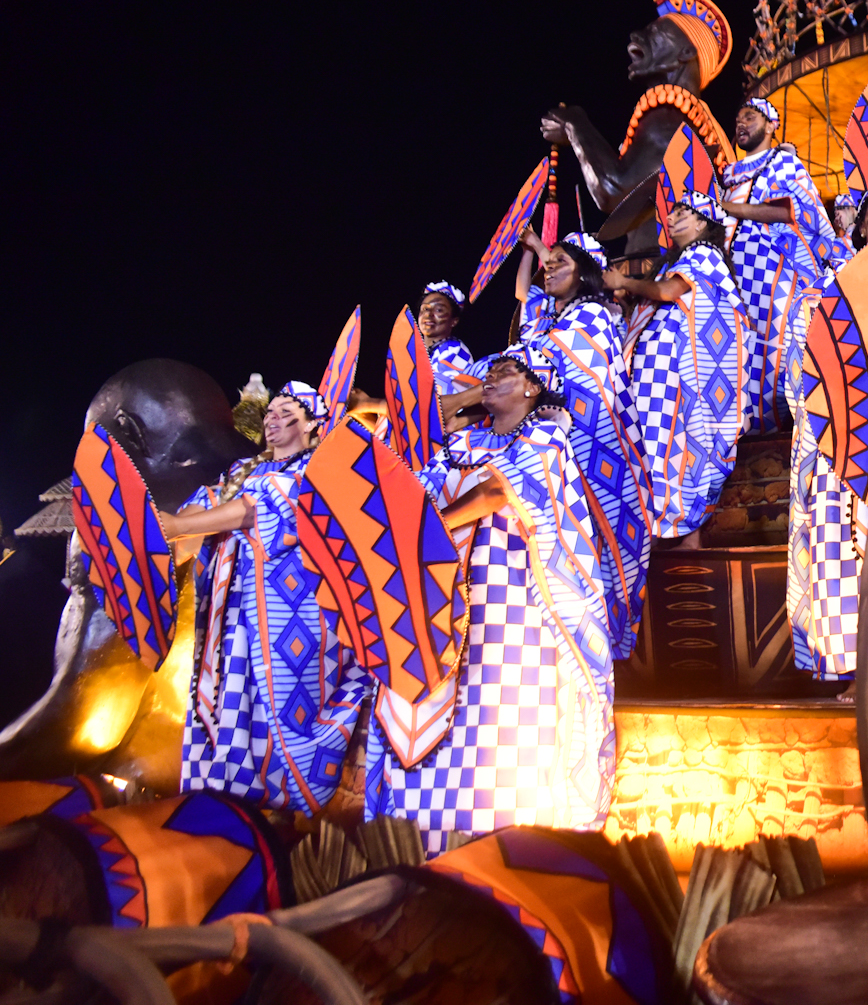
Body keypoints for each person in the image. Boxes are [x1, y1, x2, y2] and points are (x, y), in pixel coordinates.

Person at [364, 347, 615, 851]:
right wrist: (470, 396)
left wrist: (419, 530)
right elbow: (419, 439)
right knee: (442, 699)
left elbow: (494, 496)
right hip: (445, 592)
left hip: (507, 592)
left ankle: (489, 831)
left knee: (490, 701)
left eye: (506, 374)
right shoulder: (462, 441)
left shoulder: (544, 436)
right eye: (490, 372)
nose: (492, 379)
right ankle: (419, 830)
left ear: (532, 387)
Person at [158, 382, 368, 814]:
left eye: (287, 409)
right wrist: (170, 529)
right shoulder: (242, 471)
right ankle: (228, 797)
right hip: (235, 603)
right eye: (270, 410)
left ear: (313, 423)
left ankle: (294, 797)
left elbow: (254, 511)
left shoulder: (318, 469)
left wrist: (179, 528)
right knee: (230, 693)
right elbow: (207, 505)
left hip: (293, 608)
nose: (272, 416)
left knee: (284, 705)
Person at [445, 227, 650, 659]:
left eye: (562, 262)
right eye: (549, 263)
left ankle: (600, 648)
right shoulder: (549, 314)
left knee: (593, 542)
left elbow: (545, 359)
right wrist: (532, 250)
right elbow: (524, 293)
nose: (550, 267)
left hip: (596, 448)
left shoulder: (594, 313)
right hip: (552, 444)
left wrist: (462, 399)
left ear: (586, 273)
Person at [787, 185, 868, 680]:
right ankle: (854, 678)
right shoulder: (825, 289)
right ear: (858, 228)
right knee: (843, 566)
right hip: (843, 448)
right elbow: (805, 369)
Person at [606, 194, 743, 552]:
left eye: (684, 212)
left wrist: (625, 281)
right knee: (660, 451)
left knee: (683, 449)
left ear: (703, 224)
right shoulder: (678, 261)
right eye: (674, 212)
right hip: (658, 376)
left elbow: (667, 292)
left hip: (681, 377)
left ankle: (688, 535)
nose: (673, 216)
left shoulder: (705, 255)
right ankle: (669, 536)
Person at [719, 97, 851, 433]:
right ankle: (747, 435)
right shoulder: (729, 178)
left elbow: (799, 213)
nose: (741, 124)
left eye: (750, 116)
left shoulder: (785, 166)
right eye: (738, 118)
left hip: (775, 275)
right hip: (734, 282)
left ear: (771, 125)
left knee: (776, 354)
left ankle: (787, 429)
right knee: (739, 354)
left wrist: (734, 210)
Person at [418, 281, 482, 399]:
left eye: (439, 310)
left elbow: (436, 406)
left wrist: (377, 404)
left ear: (454, 321)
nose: (428, 314)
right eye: (425, 309)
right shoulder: (414, 351)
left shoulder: (455, 350)